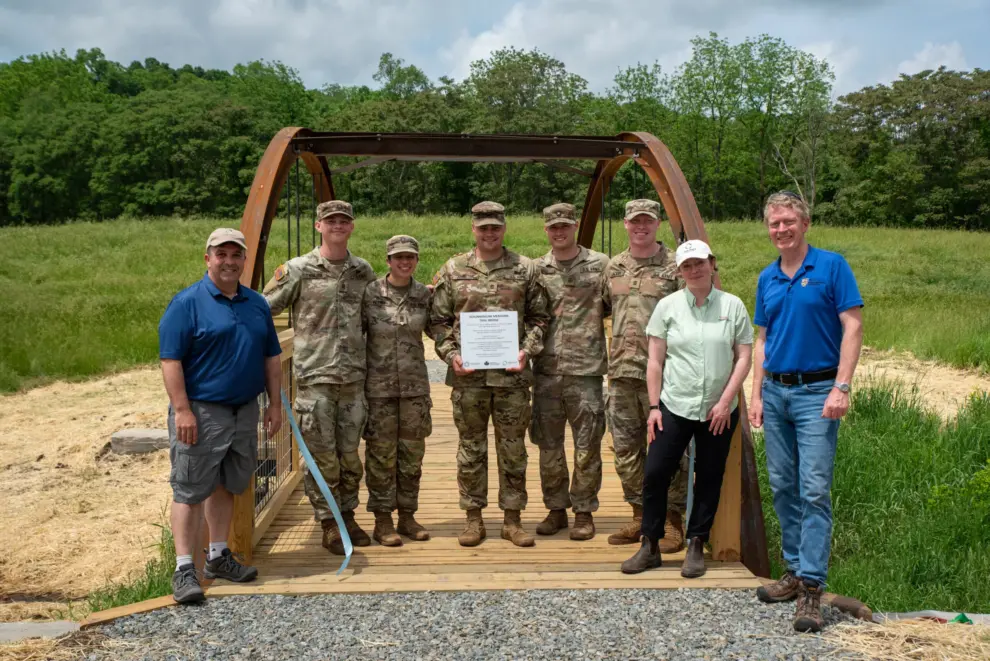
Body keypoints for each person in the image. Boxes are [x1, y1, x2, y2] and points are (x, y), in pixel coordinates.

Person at [749, 191, 863, 633]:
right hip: (776, 393)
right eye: (774, 223)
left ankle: (813, 587)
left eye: (788, 221)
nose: (781, 229)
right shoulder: (767, 277)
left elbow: (852, 325)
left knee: (814, 488)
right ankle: (794, 571)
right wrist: (756, 394)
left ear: (805, 223)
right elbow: (762, 339)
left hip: (818, 391)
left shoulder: (831, 266)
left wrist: (842, 386)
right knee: (782, 485)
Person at [158, 228, 282, 604]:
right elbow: (170, 360)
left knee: (228, 484)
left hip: (244, 409)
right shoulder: (187, 303)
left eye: (235, 255)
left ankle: (217, 556)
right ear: (207, 258)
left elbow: (271, 356)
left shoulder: (256, 303)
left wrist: (274, 404)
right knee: (190, 487)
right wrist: (182, 409)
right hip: (202, 411)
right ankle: (184, 569)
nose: (229, 262)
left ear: (245, 260)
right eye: (221, 254)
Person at [620, 240, 753, 577]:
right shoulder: (668, 306)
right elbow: (654, 360)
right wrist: (654, 406)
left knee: (709, 476)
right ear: (679, 271)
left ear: (712, 263)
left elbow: (744, 356)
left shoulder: (732, 306)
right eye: (687, 266)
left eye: (699, 263)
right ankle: (649, 543)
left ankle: (696, 543)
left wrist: (726, 401)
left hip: (717, 411)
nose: (694, 270)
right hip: (674, 405)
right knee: (655, 474)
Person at [430, 201, 551, 547]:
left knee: (513, 450)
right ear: (474, 229)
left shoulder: (525, 268)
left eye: (495, 227)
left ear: (504, 228)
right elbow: (437, 321)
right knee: (471, 449)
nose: (489, 233)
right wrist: (451, 354)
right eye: (483, 227)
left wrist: (526, 350)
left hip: (511, 379)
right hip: (469, 380)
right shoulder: (453, 269)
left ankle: (512, 520)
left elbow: (540, 318)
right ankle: (473, 518)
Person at [263, 200, 376, 556]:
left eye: (344, 220)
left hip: (354, 380)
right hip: (315, 379)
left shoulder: (362, 271)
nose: (337, 226)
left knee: (350, 456)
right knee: (320, 455)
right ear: (319, 226)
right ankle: (328, 521)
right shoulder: (298, 270)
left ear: (352, 226)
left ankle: (348, 513)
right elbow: (263, 308)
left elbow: (375, 315)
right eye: (330, 221)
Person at [602, 199, 689, 550]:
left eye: (648, 221)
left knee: (669, 450)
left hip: (665, 376)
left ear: (658, 223)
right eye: (635, 221)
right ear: (625, 223)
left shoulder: (675, 268)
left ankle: (671, 521)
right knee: (625, 449)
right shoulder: (613, 267)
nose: (641, 227)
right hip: (621, 372)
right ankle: (640, 516)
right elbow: (602, 308)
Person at [530, 202, 609, 541]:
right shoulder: (535, 269)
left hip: (586, 369)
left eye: (564, 225)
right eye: (553, 227)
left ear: (575, 225)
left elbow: (619, 302)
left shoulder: (601, 265)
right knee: (548, 445)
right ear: (545, 229)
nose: (559, 231)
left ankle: (584, 511)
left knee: (587, 444)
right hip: (546, 369)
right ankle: (556, 508)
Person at [361, 235, 433, 546]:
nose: (405, 262)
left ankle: (407, 515)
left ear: (416, 261)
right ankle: (382, 519)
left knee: (411, 456)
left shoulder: (424, 296)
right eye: (398, 257)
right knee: (380, 457)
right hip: (379, 391)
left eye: (410, 258)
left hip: (415, 390)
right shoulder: (370, 294)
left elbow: (442, 329)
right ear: (388, 261)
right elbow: (351, 334)